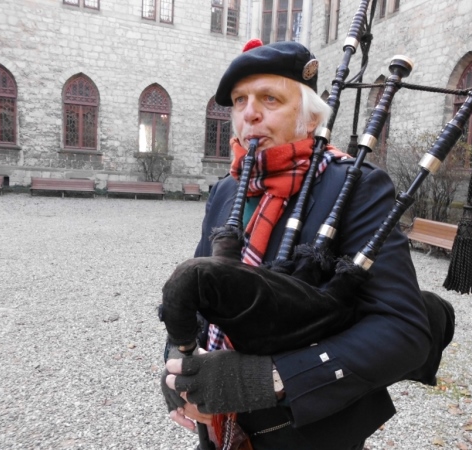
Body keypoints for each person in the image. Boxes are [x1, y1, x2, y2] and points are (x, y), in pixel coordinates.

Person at [161, 40, 434, 450]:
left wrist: (268, 378)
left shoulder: (353, 185)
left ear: (310, 117)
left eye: (270, 98)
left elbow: (404, 331)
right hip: (219, 429)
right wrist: (179, 370)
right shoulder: (227, 190)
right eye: (240, 100)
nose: (249, 113)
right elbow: (199, 295)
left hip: (305, 434)